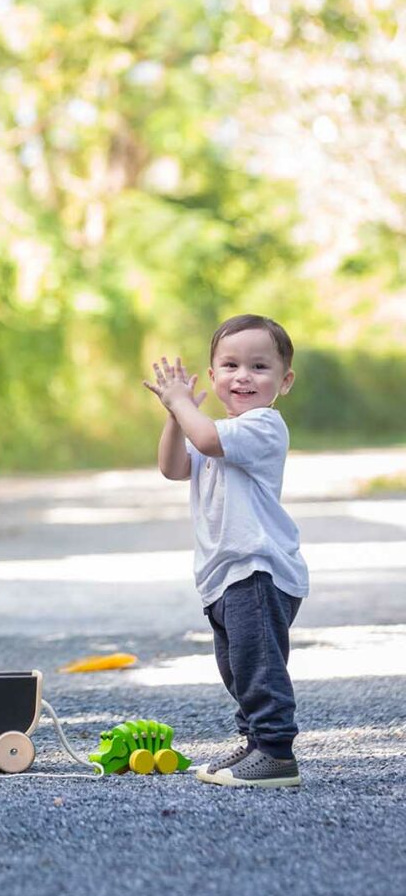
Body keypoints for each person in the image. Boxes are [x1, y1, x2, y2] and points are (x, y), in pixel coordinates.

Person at [142, 314, 307, 788]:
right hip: (224, 574)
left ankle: (275, 753)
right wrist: (174, 414)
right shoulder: (218, 431)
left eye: (259, 366)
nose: (243, 376)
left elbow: (207, 439)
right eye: (231, 366)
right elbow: (174, 467)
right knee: (237, 669)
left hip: (257, 569)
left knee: (259, 667)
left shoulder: (263, 427)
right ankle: (255, 742)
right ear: (213, 376)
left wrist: (183, 406)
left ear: (284, 382)